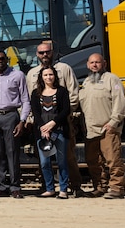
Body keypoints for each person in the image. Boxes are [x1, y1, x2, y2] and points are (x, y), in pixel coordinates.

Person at [25, 40, 84, 194]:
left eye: (47, 52)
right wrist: (37, 123)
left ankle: (74, 186)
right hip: (41, 126)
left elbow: (73, 94)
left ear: (52, 52)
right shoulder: (31, 73)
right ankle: (48, 187)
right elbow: (31, 101)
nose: (45, 55)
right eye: (41, 53)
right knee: (44, 159)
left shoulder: (64, 69)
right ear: (37, 54)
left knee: (67, 158)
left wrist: (63, 116)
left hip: (62, 124)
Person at [78, 53, 125, 199]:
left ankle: (117, 188)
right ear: (88, 65)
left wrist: (113, 122)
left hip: (108, 128)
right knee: (93, 161)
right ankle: (99, 187)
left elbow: (120, 103)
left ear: (104, 64)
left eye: (97, 62)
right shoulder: (86, 82)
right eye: (92, 62)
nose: (94, 65)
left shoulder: (113, 80)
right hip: (90, 129)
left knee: (113, 160)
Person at [0, 51, 30, 198]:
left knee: (12, 152)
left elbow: (25, 100)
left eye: (2, 59)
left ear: (7, 60)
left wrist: (22, 120)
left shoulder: (18, 75)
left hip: (11, 116)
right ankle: (1, 187)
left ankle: (15, 187)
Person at [30, 67, 72, 199]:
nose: (48, 77)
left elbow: (65, 110)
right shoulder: (36, 93)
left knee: (61, 161)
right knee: (45, 162)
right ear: (41, 77)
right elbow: (36, 112)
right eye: (45, 75)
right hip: (43, 133)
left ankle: (63, 189)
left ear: (55, 76)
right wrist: (43, 128)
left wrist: (52, 124)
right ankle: (50, 188)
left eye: (51, 75)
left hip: (59, 131)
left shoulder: (62, 91)